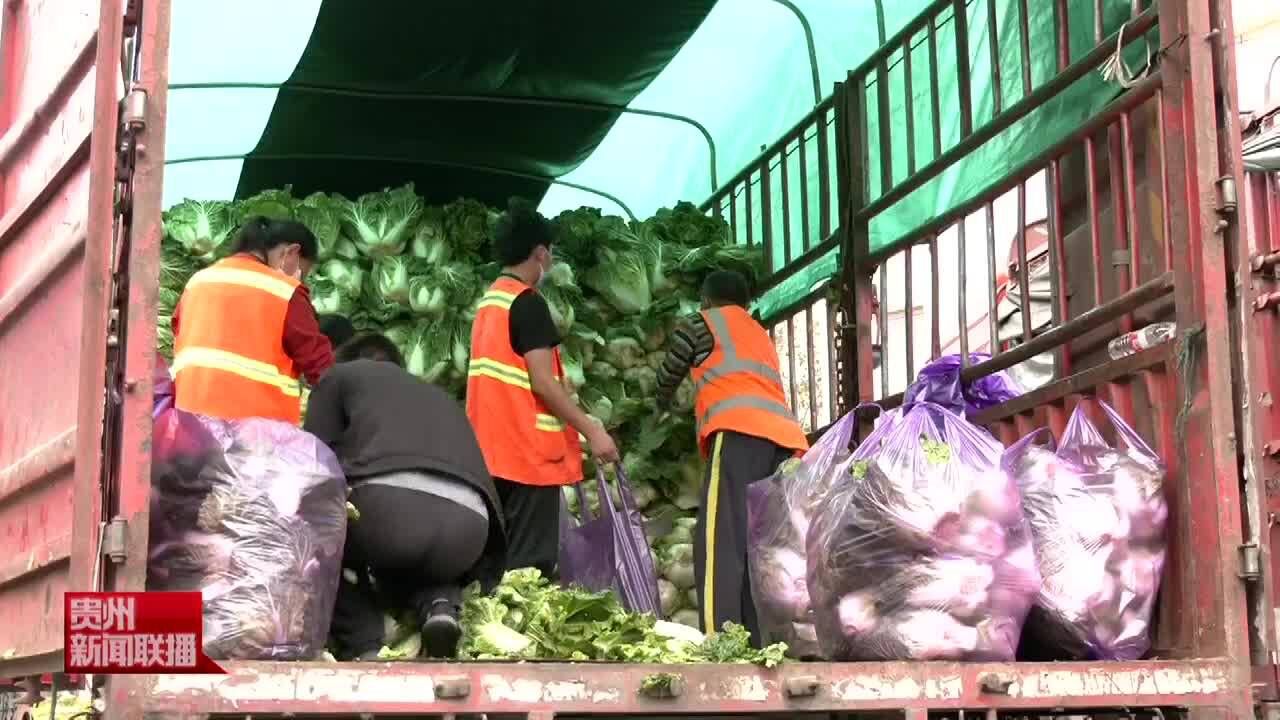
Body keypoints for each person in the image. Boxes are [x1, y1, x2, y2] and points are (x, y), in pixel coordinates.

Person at [304, 329, 506, 660]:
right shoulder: (440, 397)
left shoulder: (340, 377)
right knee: (422, 558)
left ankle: (364, 643)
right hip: (470, 530)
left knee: (321, 533)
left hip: (390, 516)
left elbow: (310, 461)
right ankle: (440, 607)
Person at [466, 197, 619, 578]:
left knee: (496, 569)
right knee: (529, 572)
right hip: (527, 460)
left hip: (491, 457)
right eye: (548, 253)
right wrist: (592, 428)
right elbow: (541, 382)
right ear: (539, 253)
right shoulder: (527, 303)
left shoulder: (490, 304)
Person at [654, 269, 809, 643]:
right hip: (785, 443)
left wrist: (659, 406)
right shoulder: (759, 333)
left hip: (738, 432)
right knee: (759, 543)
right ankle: (757, 637)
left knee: (720, 539)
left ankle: (720, 638)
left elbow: (668, 375)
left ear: (706, 300)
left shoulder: (701, 324)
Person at [171, 216, 334, 425]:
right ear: (291, 252)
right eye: (302, 271)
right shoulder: (284, 291)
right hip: (255, 438)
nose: (300, 279)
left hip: (190, 427)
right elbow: (320, 366)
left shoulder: (198, 281)